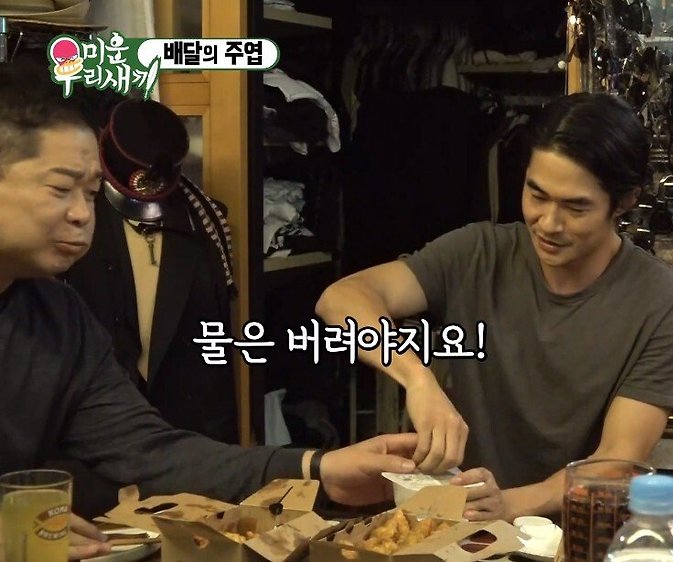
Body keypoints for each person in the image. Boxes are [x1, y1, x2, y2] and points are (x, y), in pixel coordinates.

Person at [0, 62, 416, 560]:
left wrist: (319, 469)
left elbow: (148, 451)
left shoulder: (57, 316)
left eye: (90, 194)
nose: (83, 214)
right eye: (59, 189)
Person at [315, 93, 673, 522]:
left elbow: (617, 460)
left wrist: (509, 504)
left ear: (626, 201)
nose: (548, 223)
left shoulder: (662, 304)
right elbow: (342, 298)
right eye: (536, 195)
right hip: (460, 532)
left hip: (580, 536)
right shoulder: (477, 253)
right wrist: (417, 379)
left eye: (575, 207)